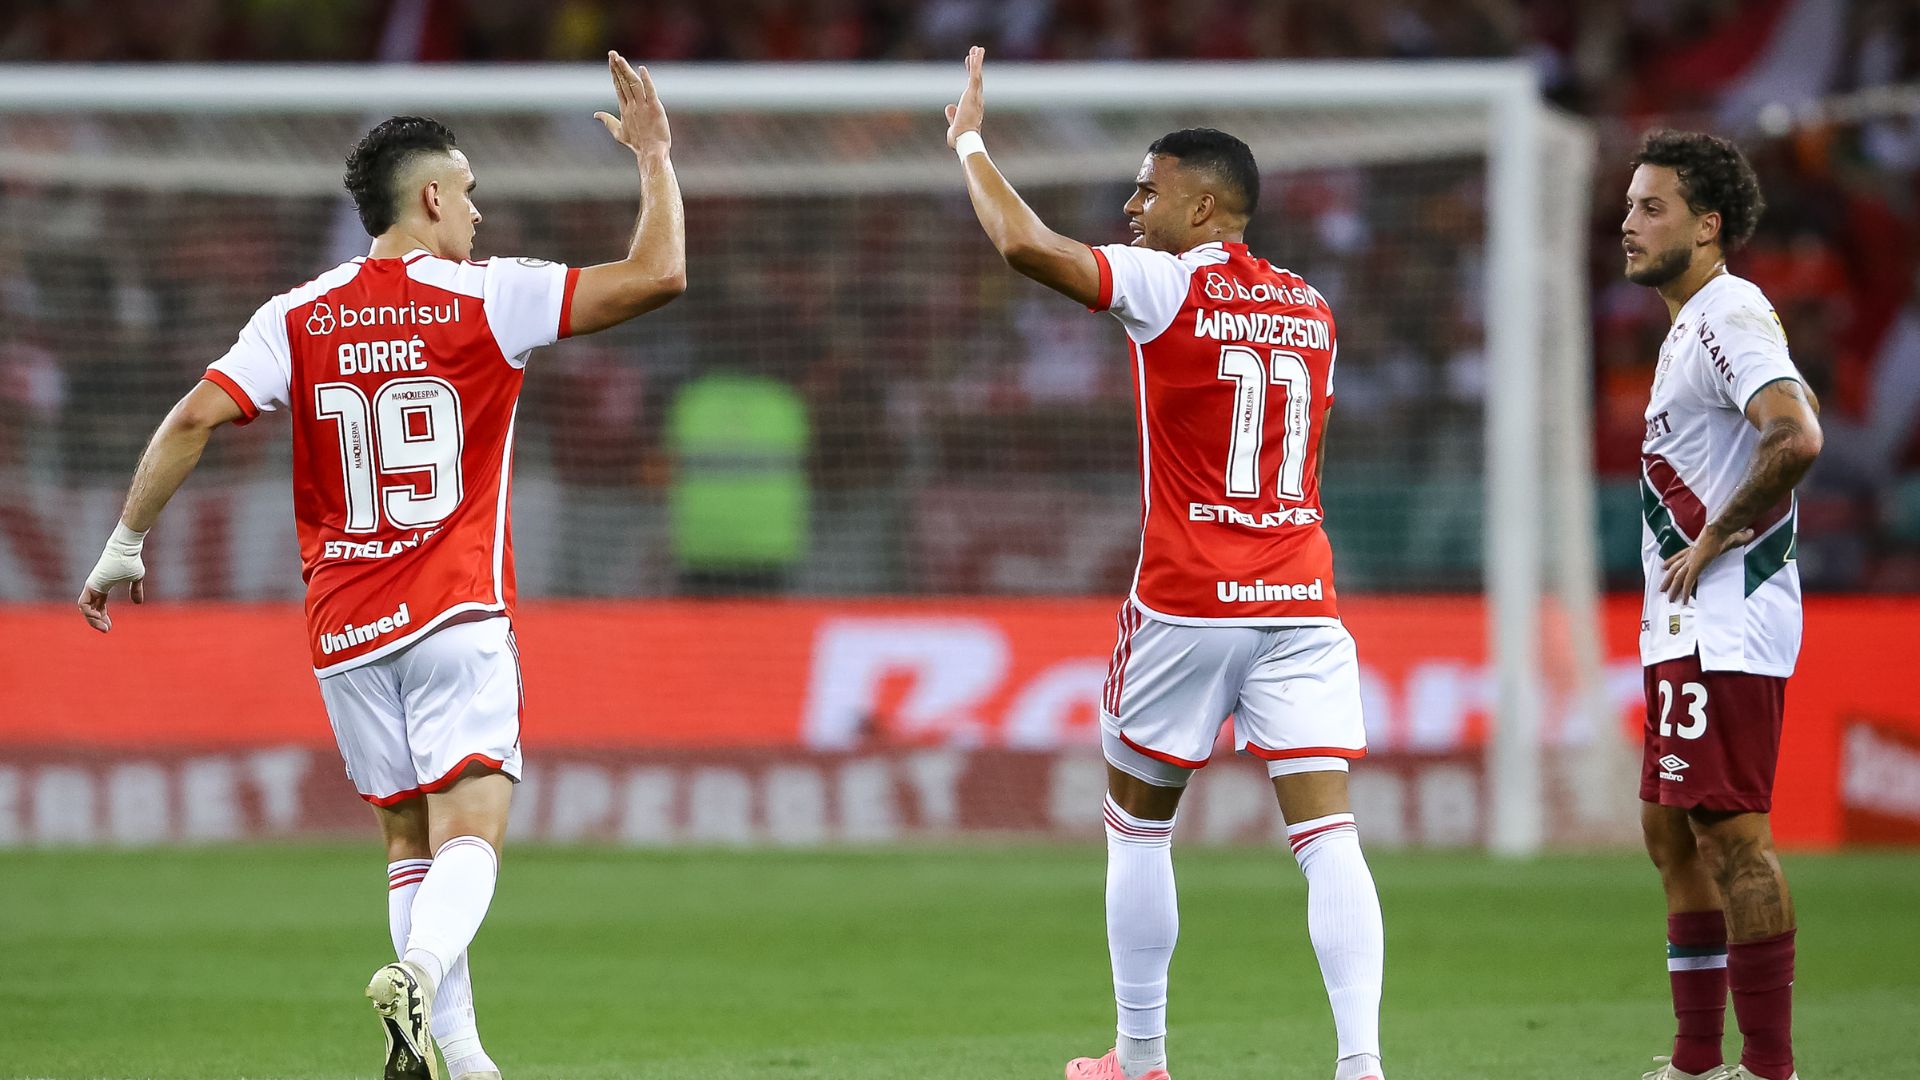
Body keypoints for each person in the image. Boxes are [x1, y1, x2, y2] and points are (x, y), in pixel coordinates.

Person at [75, 51, 685, 1080]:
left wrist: (122, 545)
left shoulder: (296, 315)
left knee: (408, 840)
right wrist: (657, 157)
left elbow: (191, 418)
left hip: (346, 627)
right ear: (433, 195)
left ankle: (466, 1060)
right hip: (455, 612)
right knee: (474, 825)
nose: (481, 217)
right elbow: (659, 274)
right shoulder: (492, 297)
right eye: (473, 195)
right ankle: (423, 973)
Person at [944, 47, 1384, 1080]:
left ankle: (1140, 1060)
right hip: (1301, 599)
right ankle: (1361, 1063)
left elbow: (1022, 244)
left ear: (1206, 206)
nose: (1131, 207)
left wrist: (966, 139)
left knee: (1137, 831)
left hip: (1188, 600)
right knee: (1328, 836)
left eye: (1149, 190)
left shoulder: (1165, 283)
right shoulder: (1314, 307)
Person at [1623, 129, 1820, 1080]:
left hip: (1726, 620)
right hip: (1686, 621)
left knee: (1733, 834)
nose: (1628, 223)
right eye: (1628, 205)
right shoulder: (1686, 326)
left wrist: (1716, 538)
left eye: (1651, 207)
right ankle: (1698, 1063)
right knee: (1671, 829)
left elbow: (1795, 435)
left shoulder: (1729, 314)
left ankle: (1768, 1068)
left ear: (1708, 227)